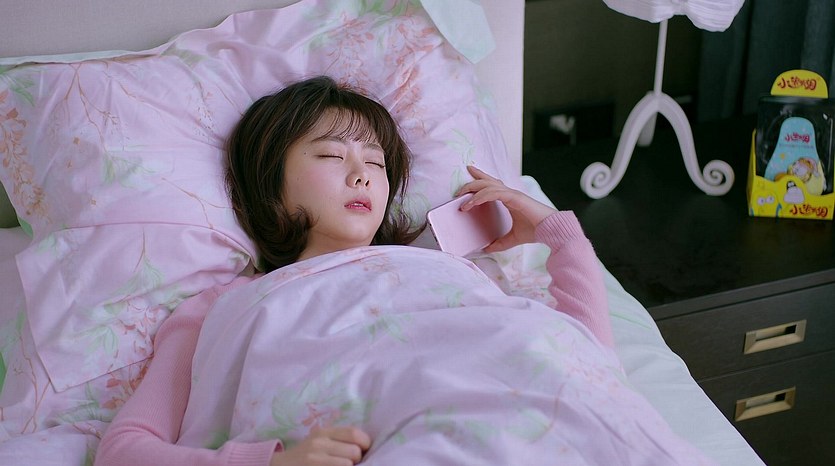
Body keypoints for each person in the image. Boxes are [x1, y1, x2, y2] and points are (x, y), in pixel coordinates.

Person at [94, 76, 612, 466]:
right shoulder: (219, 308)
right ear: (271, 186)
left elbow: (586, 371)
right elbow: (124, 450)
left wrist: (557, 234)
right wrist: (269, 463)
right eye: (330, 154)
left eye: (377, 163)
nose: (362, 173)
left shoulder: (442, 270)